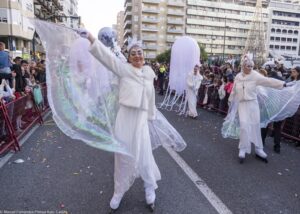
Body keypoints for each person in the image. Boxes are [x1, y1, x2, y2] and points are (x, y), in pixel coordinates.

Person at [85, 32, 161, 211]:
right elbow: (107, 58)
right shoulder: (123, 69)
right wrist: (90, 37)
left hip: (142, 120)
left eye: (140, 52)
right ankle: (118, 191)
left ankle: (150, 189)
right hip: (125, 118)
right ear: (129, 57)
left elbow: (151, 99)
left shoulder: (149, 74)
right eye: (133, 53)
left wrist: (151, 117)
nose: (137, 55)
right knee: (123, 157)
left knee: (144, 155)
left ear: (144, 55)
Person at [228, 55, 287, 163]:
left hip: (253, 104)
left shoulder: (255, 76)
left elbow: (268, 81)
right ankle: (243, 148)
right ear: (243, 66)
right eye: (248, 66)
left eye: (251, 66)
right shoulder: (238, 77)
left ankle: (259, 148)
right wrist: (231, 100)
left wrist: (282, 84)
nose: (250, 68)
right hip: (242, 105)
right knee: (244, 126)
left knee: (255, 126)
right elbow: (234, 90)